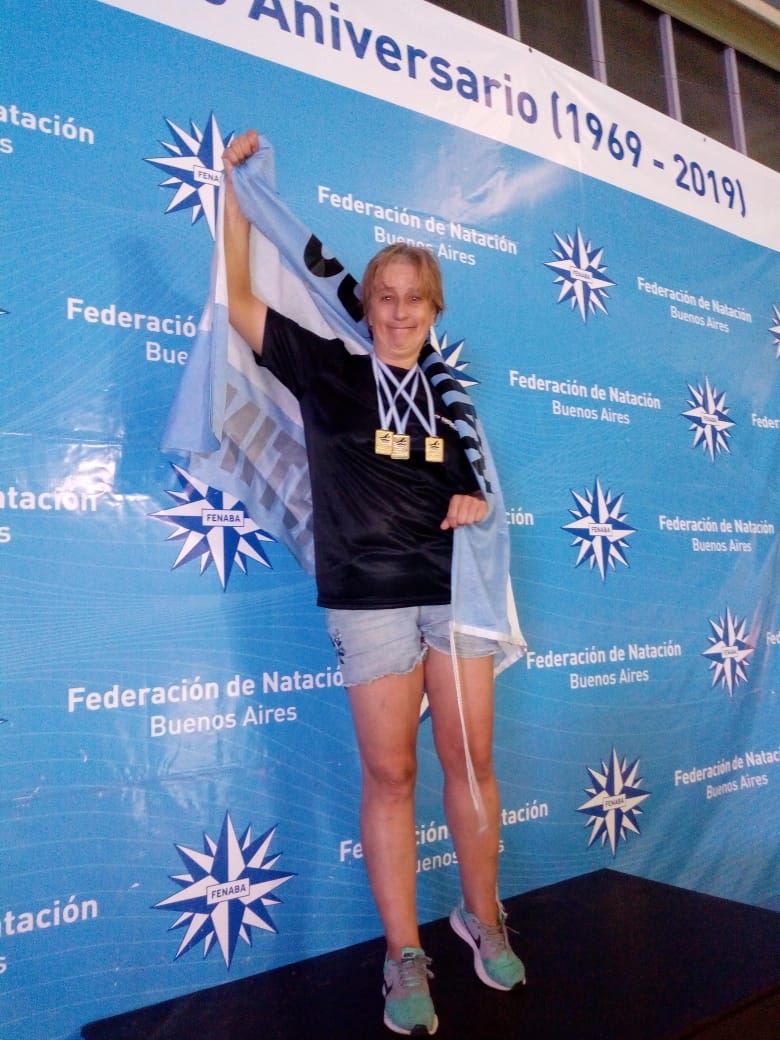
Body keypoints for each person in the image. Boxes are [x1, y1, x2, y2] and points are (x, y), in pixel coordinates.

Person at [221, 129, 525, 1036]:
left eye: (413, 300)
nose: (398, 313)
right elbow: (239, 301)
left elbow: (477, 490)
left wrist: (473, 502)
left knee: (472, 760)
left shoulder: (452, 400)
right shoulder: (329, 368)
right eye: (385, 298)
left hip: (454, 592)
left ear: (434, 308)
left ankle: (482, 915)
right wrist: (236, 196)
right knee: (392, 773)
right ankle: (403, 954)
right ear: (367, 304)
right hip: (368, 597)